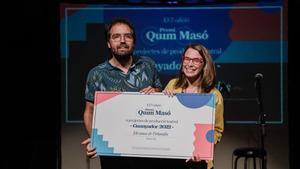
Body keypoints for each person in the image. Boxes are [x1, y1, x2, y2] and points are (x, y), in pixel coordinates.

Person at [81, 18, 162, 169]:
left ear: (134, 41)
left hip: (148, 149)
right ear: (108, 43)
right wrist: (95, 138)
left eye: (128, 36)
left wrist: (156, 92)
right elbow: (89, 111)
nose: (122, 41)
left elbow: (161, 97)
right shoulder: (97, 74)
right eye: (116, 36)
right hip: (114, 151)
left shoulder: (148, 65)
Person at [163, 44, 224, 169]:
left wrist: (202, 148)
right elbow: (163, 121)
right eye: (186, 59)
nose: (189, 64)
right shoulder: (172, 85)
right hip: (171, 159)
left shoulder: (214, 95)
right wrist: (163, 100)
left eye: (196, 60)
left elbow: (217, 131)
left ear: (204, 64)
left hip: (198, 162)